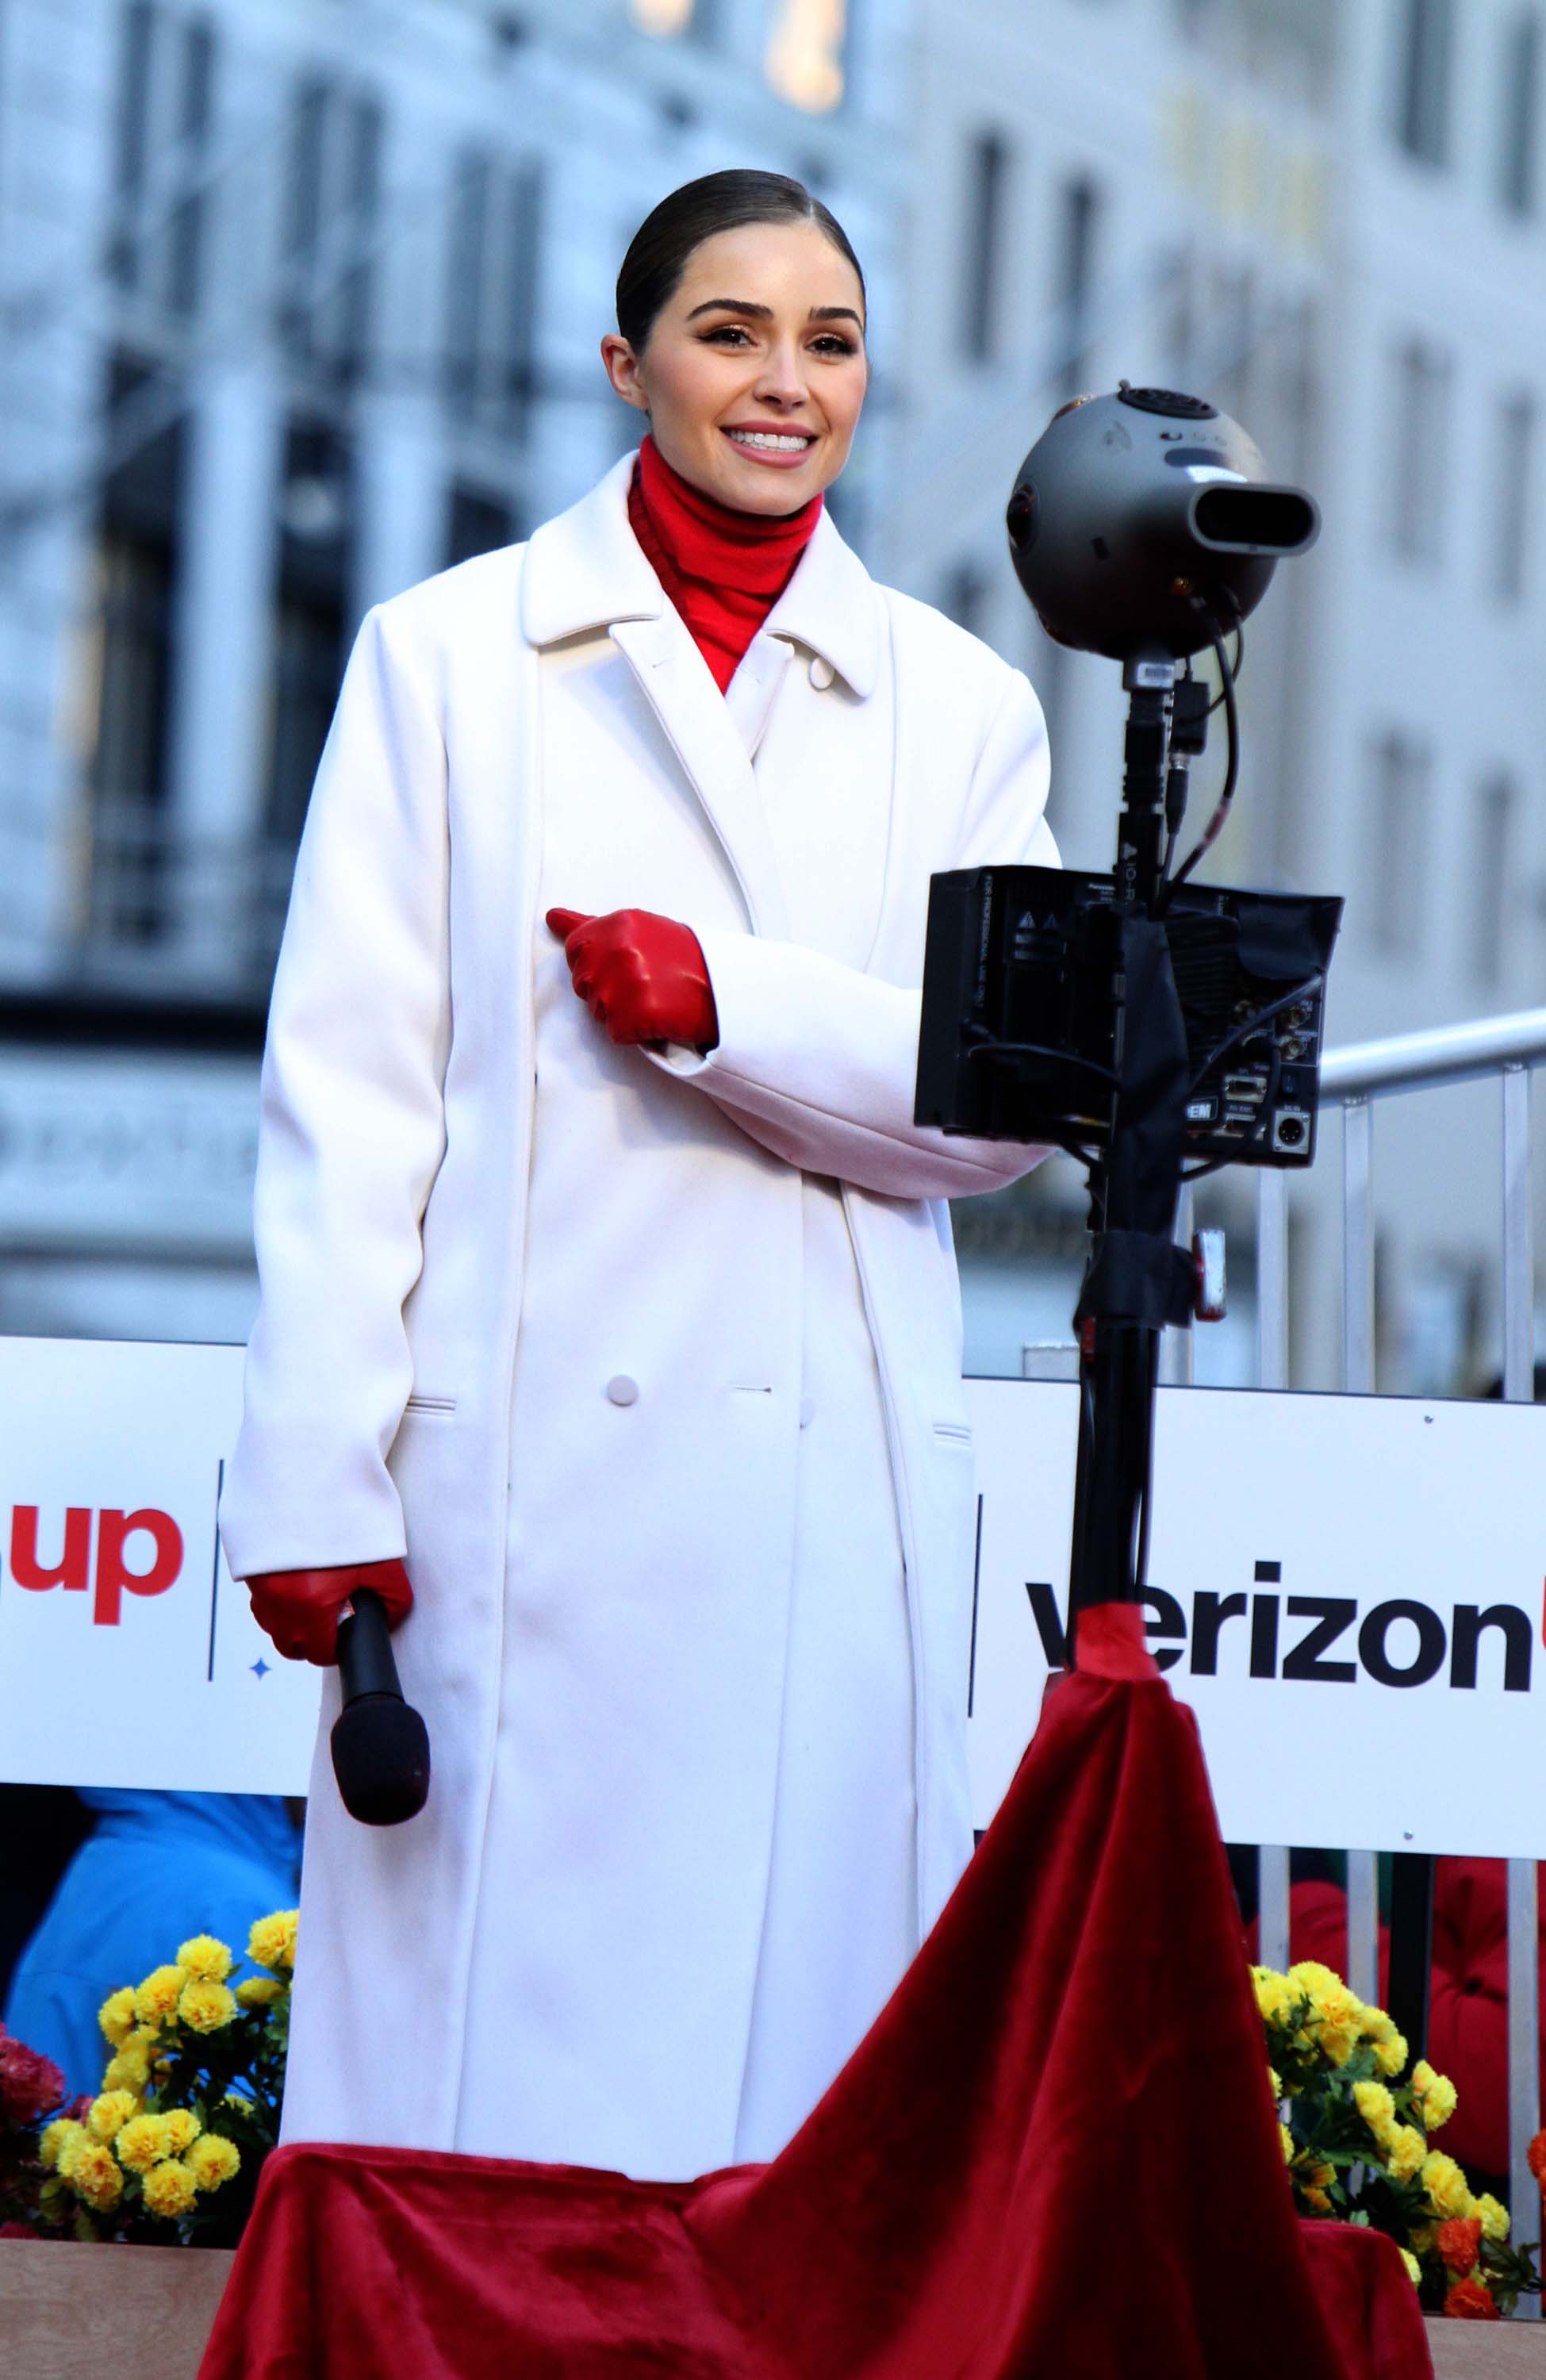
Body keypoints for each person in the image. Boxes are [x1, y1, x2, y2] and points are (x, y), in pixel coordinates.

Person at [218, 169, 1058, 2179]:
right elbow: (347, 1107)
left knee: (785, 2143)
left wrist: (726, 1004)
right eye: (731, 330)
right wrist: (321, 1481)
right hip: (509, 1515)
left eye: (831, 340)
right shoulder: (443, 662)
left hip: (816, 1515)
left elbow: (1006, 1106)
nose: (786, 383)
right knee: (478, 2144)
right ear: (628, 360)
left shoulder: (965, 703)